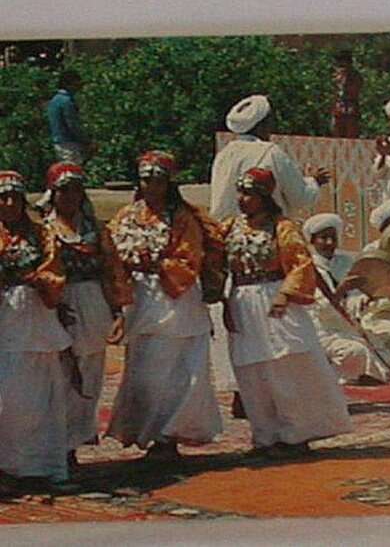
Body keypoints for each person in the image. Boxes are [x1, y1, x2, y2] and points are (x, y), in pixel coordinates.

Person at [220, 168, 352, 457]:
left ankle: (296, 433)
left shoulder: (282, 227)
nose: (242, 199)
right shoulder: (230, 227)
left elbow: (301, 264)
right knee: (252, 370)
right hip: (242, 301)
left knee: (284, 366)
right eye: (240, 193)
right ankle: (265, 435)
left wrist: (284, 295)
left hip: (275, 299)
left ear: (264, 197)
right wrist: (223, 299)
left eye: (250, 194)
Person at [105, 150, 225, 460]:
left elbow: (189, 260)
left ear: (168, 183)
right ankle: (146, 432)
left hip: (176, 301)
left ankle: (167, 437)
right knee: (144, 371)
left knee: (174, 373)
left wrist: (157, 264)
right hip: (140, 299)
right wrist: (126, 272)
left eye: (158, 180)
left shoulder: (182, 218)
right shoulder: (126, 215)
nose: (151, 186)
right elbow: (110, 255)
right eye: (146, 180)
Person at [42, 161, 131, 467]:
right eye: (64, 190)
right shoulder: (42, 229)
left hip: (92, 302)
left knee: (90, 372)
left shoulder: (95, 230)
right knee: (58, 375)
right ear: (53, 193)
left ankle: (73, 443)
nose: (70, 196)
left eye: (76, 190)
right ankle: (53, 442)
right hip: (57, 303)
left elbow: (112, 270)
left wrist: (118, 310)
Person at [0, 171, 72, 490]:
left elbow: (54, 272)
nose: (9, 204)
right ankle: (6, 466)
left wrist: (35, 279)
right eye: (3, 198)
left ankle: (39, 466)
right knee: (7, 398)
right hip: (5, 319)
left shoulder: (42, 233)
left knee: (41, 398)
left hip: (36, 318)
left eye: (15, 198)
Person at [210, 94, 329, 221]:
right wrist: (315, 181)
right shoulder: (271, 152)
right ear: (262, 125)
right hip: (262, 229)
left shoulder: (224, 154)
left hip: (224, 229)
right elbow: (299, 197)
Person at [303, 212, 389, 385]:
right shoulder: (307, 268)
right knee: (355, 352)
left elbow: (356, 294)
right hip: (323, 331)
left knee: (386, 350)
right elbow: (319, 308)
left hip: (350, 327)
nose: (329, 243)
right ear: (312, 241)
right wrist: (341, 291)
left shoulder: (345, 262)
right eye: (323, 238)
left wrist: (363, 299)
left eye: (333, 238)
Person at [46, 70, 93, 165]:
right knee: (73, 169)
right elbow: (72, 125)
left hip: (59, 142)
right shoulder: (66, 102)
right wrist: (85, 141)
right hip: (69, 144)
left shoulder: (54, 100)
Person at [330, 50, 363, 138]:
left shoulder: (354, 76)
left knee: (350, 132)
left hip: (350, 107)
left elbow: (354, 91)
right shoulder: (337, 75)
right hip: (338, 107)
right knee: (336, 131)